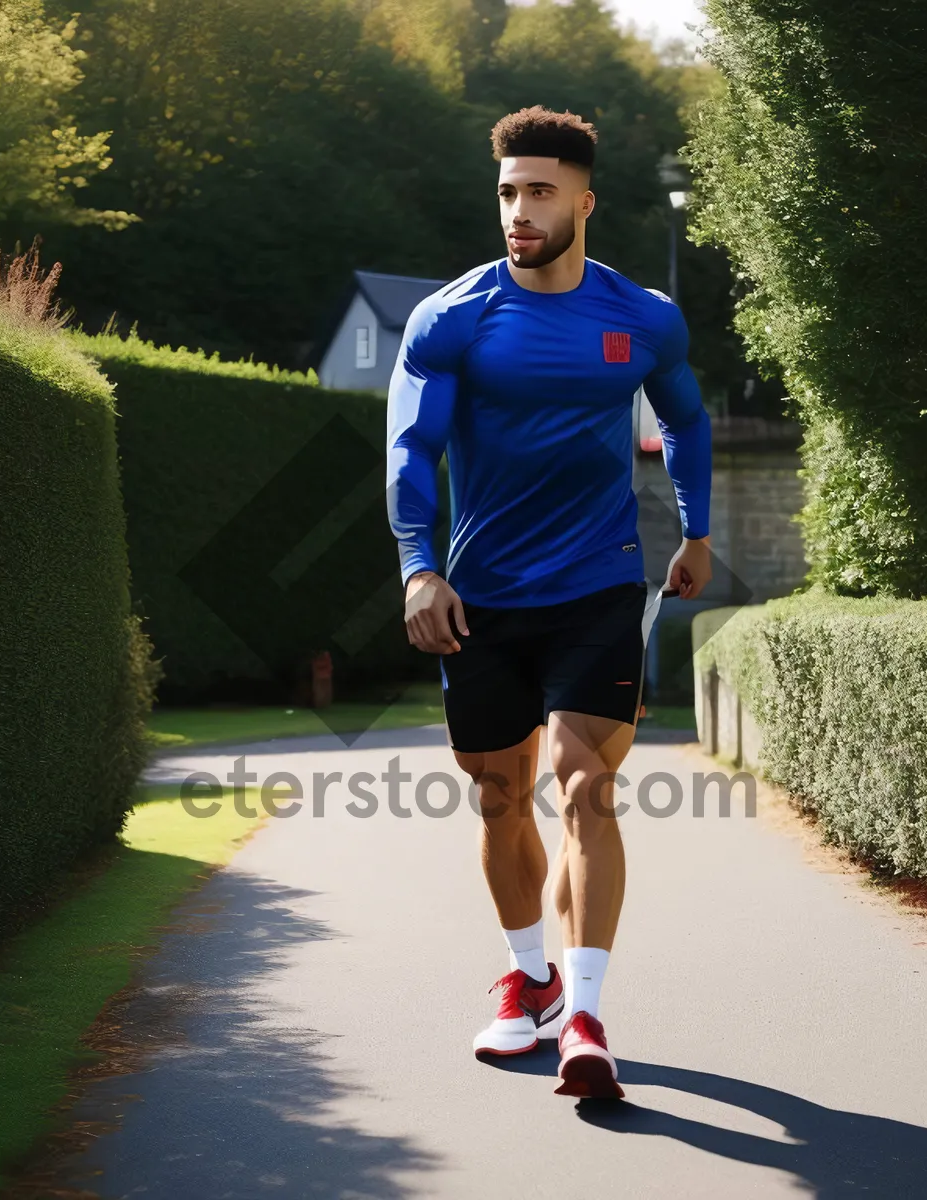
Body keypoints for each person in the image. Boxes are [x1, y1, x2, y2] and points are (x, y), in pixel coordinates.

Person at [385, 105, 713, 1100]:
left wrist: (697, 531)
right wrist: (417, 563)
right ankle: (526, 976)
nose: (518, 212)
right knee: (498, 794)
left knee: (582, 786)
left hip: (598, 584)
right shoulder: (453, 318)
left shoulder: (643, 317)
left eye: (538, 193)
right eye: (507, 193)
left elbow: (688, 421)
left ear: (583, 200)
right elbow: (413, 448)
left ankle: (588, 1014)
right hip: (479, 597)